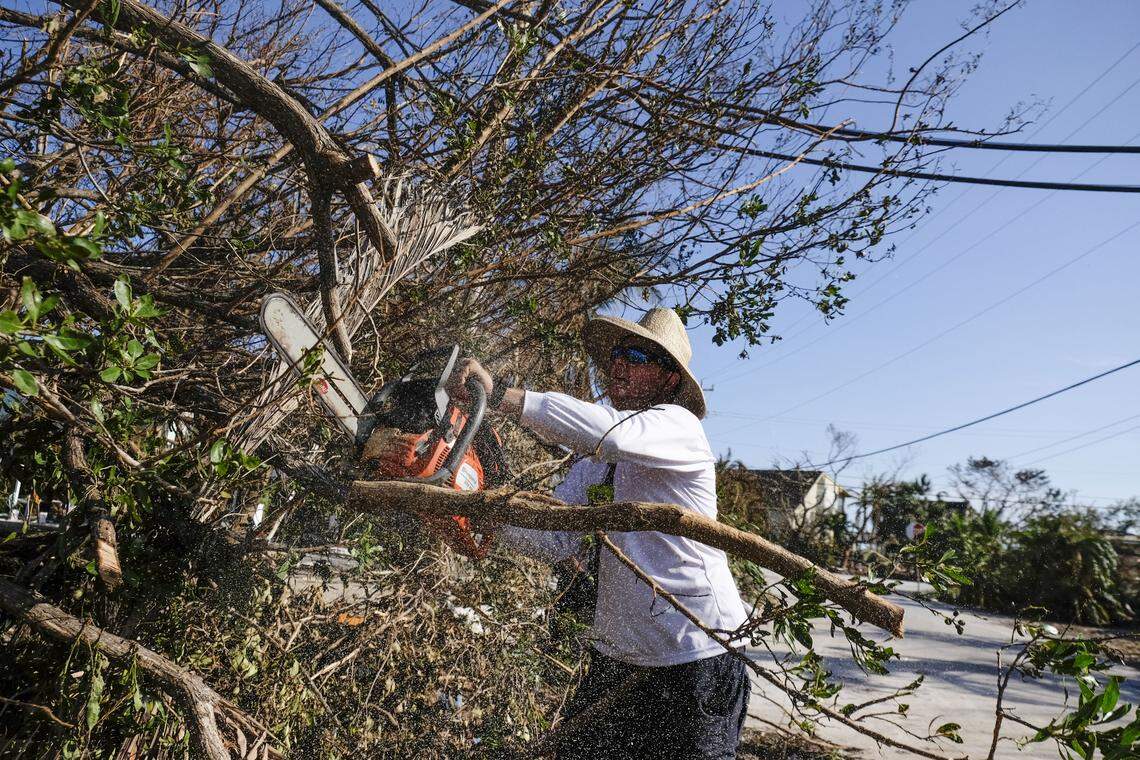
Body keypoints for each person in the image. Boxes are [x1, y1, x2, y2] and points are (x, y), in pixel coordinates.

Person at [449, 307, 751, 759]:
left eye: (635, 355)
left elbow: (610, 433)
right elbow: (558, 538)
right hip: (620, 655)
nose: (619, 365)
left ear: (670, 380)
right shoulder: (597, 460)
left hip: (696, 654)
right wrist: (477, 516)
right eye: (615, 356)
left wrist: (504, 397)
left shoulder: (678, 427)